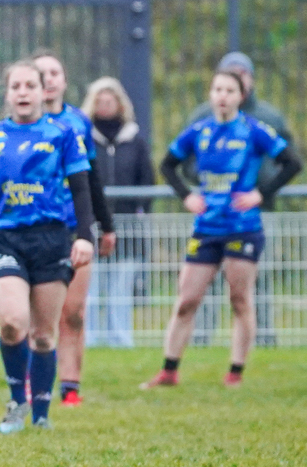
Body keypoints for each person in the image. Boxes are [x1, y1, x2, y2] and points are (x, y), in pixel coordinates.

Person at [0, 59, 96, 434]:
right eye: (15, 86)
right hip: (5, 239)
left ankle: (42, 414)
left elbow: (82, 189)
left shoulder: (63, 134)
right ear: (7, 93)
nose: (22, 93)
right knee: (13, 323)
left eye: (29, 86)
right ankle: (17, 400)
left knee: (45, 334)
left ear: (42, 91)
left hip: (51, 239)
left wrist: (85, 236)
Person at [141, 69, 301, 390]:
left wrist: (261, 193)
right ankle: (169, 371)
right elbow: (167, 164)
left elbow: (293, 163)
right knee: (187, 299)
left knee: (240, 298)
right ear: (211, 94)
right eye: (217, 89)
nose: (223, 96)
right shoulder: (198, 131)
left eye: (229, 90)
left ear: (241, 96)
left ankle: (235, 372)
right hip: (206, 227)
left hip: (243, 227)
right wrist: (187, 195)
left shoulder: (255, 131)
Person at [185, 51, 295, 347]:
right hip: (212, 214)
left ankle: (265, 338)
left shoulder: (268, 117)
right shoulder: (202, 117)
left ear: (250, 81)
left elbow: (289, 158)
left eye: (241, 74)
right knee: (204, 279)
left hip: (253, 214)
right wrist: (207, 183)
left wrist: (263, 191)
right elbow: (185, 161)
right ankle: (201, 339)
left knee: (254, 282)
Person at [32, 50, 115, 406]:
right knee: (37, 317)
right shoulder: (17, 126)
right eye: (42, 73)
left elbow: (91, 180)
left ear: (64, 81)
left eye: (55, 72)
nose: (49, 79)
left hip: (73, 229)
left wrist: (104, 226)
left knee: (74, 312)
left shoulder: (79, 124)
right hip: (33, 231)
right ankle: (32, 383)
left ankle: (70, 387)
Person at [79, 77, 155, 348]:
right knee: (91, 286)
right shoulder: (84, 139)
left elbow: (147, 179)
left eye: (110, 100)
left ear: (120, 103)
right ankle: (89, 338)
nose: (104, 104)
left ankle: (120, 339)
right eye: (99, 100)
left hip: (127, 227)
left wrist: (139, 212)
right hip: (92, 226)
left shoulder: (134, 140)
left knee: (120, 288)